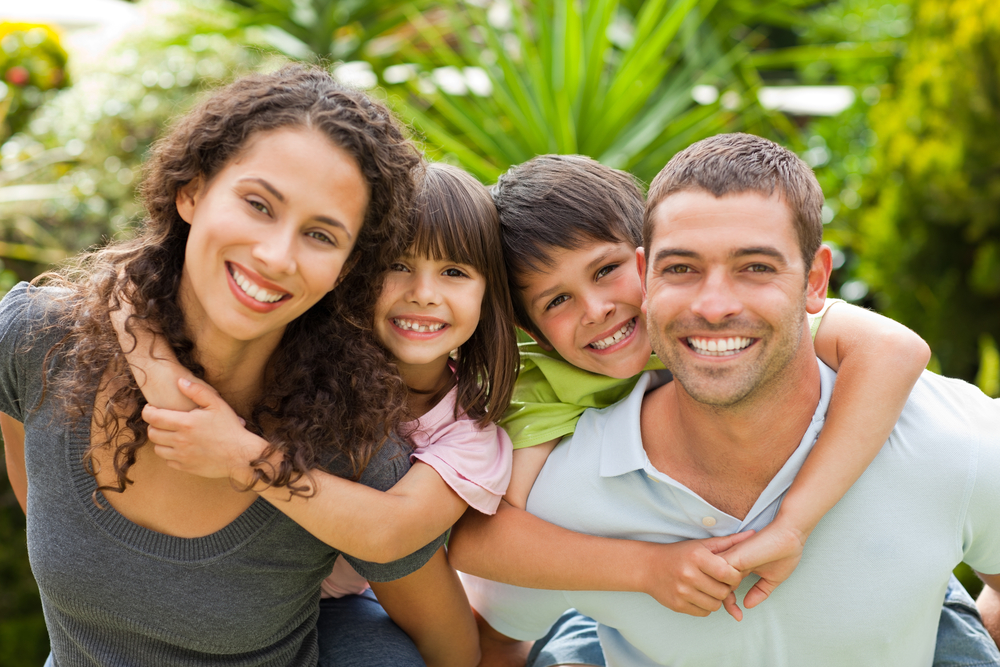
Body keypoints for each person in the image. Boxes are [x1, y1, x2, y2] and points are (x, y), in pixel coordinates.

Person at [453, 134, 1000, 665]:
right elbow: (484, 541)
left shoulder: (944, 436)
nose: (598, 309)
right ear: (534, 332)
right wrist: (644, 570)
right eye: (558, 301)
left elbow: (896, 348)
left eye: (755, 268)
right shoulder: (547, 417)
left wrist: (793, 524)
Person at [0, 66, 475, 666]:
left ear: (347, 270)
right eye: (258, 204)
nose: (276, 256)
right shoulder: (36, 343)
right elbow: (34, 479)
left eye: (322, 235)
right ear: (191, 191)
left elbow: (450, 646)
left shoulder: (346, 443)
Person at [113, 162, 519, 665]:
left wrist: (240, 455)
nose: (424, 293)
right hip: (211, 579)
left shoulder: (470, 436)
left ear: (488, 294)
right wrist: (129, 312)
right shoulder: (294, 357)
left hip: (336, 603)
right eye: (397, 265)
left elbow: (390, 532)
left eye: (454, 272)